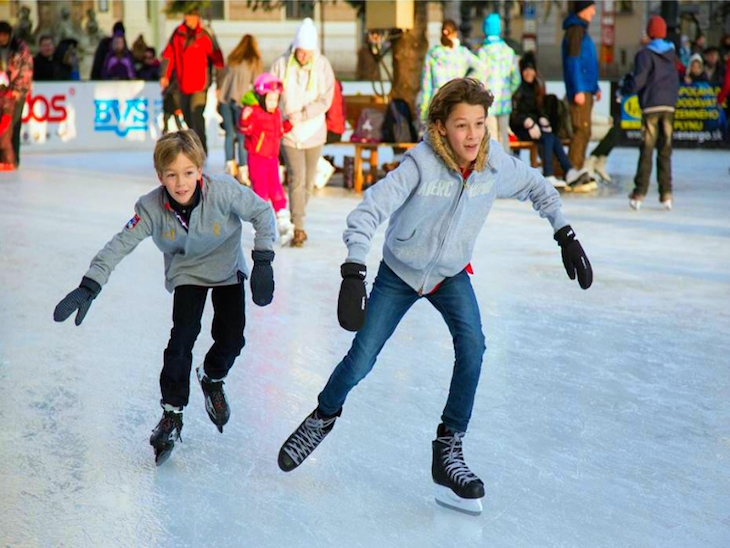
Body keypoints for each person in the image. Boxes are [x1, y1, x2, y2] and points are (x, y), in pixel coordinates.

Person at [276, 78, 593, 516]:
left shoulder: (494, 164)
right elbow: (368, 210)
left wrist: (565, 232)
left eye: (479, 124)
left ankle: (449, 448)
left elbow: (539, 187)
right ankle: (322, 417)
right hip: (400, 272)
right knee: (362, 358)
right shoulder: (420, 164)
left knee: (474, 347)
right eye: (461, 125)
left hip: (449, 274)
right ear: (441, 127)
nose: (472, 134)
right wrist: (353, 270)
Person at [53, 130, 277, 466]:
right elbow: (120, 243)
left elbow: (263, 212)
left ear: (200, 170)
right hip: (187, 271)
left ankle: (212, 376)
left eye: (188, 173)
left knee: (232, 338)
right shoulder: (151, 208)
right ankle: (172, 413)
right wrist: (91, 284)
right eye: (171, 175)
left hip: (228, 268)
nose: (181, 183)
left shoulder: (224, 191)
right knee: (181, 339)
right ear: (160, 176)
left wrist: (263, 259)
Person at [270, 18, 335, 248]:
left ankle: (296, 214)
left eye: (308, 53)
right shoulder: (281, 64)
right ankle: (298, 227)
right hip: (289, 132)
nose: (304, 57)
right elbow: (271, 91)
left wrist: (305, 113)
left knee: (308, 183)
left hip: (314, 131)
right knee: (296, 179)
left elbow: (327, 98)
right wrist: (280, 114)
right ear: (295, 47)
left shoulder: (322, 65)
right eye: (301, 52)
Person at [621, 16, 680, 211]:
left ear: (650, 32)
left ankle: (639, 193)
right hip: (668, 107)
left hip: (651, 106)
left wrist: (625, 89)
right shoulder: (672, 54)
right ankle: (666, 194)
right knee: (665, 150)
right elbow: (675, 80)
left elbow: (638, 80)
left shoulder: (645, 54)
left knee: (647, 149)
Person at [510, 52, 590, 190]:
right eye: (526, 70)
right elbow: (515, 115)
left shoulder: (537, 87)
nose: (529, 73)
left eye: (531, 69)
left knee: (551, 136)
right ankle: (548, 174)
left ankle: (569, 171)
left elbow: (539, 109)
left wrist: (542, 119)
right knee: (547, 138)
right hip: (521, 128)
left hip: (535, 126)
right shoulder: (518, 89)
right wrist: (527, 122)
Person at [239, 73, 295, 246]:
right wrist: (245, 118)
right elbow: (244, 129)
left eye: (276, 100)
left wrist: (288, 125)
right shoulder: (254, 112)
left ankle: (283, 222)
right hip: (257, 159)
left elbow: (278, 132)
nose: (273, 103)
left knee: (277, 190)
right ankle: (262, 227)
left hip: (272, 159)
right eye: (270, 100)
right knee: (261, 192)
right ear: (262, 98)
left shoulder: (276, 113)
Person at [161, 6, 224, 153]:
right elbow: (168, 55)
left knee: (196, 115)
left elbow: (218, 59)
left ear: (197, 16)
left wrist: (220, 83)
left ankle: (202, 149)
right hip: (182, 84)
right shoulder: (178, 33)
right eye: (186, 14)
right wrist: (165, 75)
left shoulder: (204, 34)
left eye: (190, 15)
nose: (187, 18)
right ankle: (193, 148)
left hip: (200, 85)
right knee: (187, 117)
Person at [562, 1, 600, 189]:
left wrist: (595, 86)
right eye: (591, 7)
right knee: (581, 130)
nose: (594, 11)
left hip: (586, 88)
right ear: (583, 9)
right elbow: (573, 61)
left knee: (585, 131)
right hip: (580, 90)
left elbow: (587, 62)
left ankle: (576, 168)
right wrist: (577, 89)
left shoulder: (581, 29)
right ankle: (572, 171)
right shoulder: (576, 30)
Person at [418, 19, 482, 123]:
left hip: (437, 99)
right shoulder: (462, 53)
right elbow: (481, 68)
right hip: (457, 97)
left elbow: (426, 84)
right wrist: (466, 81)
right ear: (455, 33)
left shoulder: (433, 54)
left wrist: (424, 109)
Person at [218, 34, 262, 181]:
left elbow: (223, 80)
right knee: (243, 136)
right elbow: (257, 84)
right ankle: (243, 169)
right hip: (242, 103)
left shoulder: (232, 59)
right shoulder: (253, 62)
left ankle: (230, 166)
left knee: (230, 134)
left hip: (226, 99)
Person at [475, 13, 520, 153]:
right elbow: (516, 79)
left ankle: (493, 169)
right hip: (505, 100)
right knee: (504, 136)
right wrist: (508, 91)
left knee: (491, 137)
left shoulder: (483, 52)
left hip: (488, 101)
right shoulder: (509, 51)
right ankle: (507, 169)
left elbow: (479, 79)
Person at [0, 21, 32, 170]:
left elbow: (25, 70)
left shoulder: (20, 48)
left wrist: (17, 90)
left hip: (15, 94)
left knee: (13, 124)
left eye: (3, 36)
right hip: (1, 92)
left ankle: (13, 159)